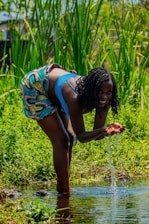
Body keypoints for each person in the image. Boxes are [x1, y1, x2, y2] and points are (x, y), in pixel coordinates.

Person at [20, 63, 125, 197]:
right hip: (36, 85)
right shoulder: (75, 97)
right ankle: (64, 192)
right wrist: (104, 130)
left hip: (57, 89)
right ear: (92, 90)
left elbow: (97, 134)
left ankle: (62, 188)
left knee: (70, 137)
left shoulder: (105, 101)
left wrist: (108, 130)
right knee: (62, 140)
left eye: (108, 92)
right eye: (100, 92)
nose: (104, 96)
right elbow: (82, 136)